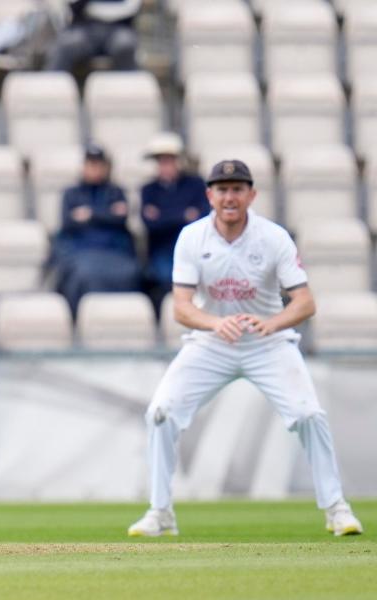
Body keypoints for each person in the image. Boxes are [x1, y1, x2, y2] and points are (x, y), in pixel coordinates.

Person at [128, 160, 363, 538]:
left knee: (307, 415)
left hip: (267, 343)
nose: (230, 197)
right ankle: (160, 512)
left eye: (238, 189)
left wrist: (271, 323)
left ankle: (337, 509)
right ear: (209, 196)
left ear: (252, 195)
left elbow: (304, 302)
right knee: (161, 412)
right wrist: (216, 323)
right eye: (222, 190)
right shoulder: (192, 237)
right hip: (211, 343)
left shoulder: (273, 237)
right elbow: (182, 308)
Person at [47, 143, 141, 317]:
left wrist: (90, 214)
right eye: (91, 164)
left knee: (131, 272)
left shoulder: (116, 192)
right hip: (82, 253)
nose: (95, 169)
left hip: (115, 253)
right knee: (83, 274)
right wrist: (107, 214)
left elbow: (121, 219)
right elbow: (68, 223)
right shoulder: (71, 194)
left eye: (99, 165)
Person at [140, 132, 209, 315]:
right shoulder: (149, 190)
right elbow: (150, 224)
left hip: (195, 249)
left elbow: (202, 218)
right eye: (161, 161)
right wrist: (183, 215)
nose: (166, 166)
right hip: (163, 251)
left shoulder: (195, 185)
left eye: (170, 160)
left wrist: (163, 216)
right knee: (164, 278)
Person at [46, 0, 140, 73]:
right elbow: (72, 6)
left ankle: (128, 92)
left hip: (119, 27)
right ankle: (50, 89)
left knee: (125, 45)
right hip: (86, 28)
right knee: (67, 43)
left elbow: (131, 7)